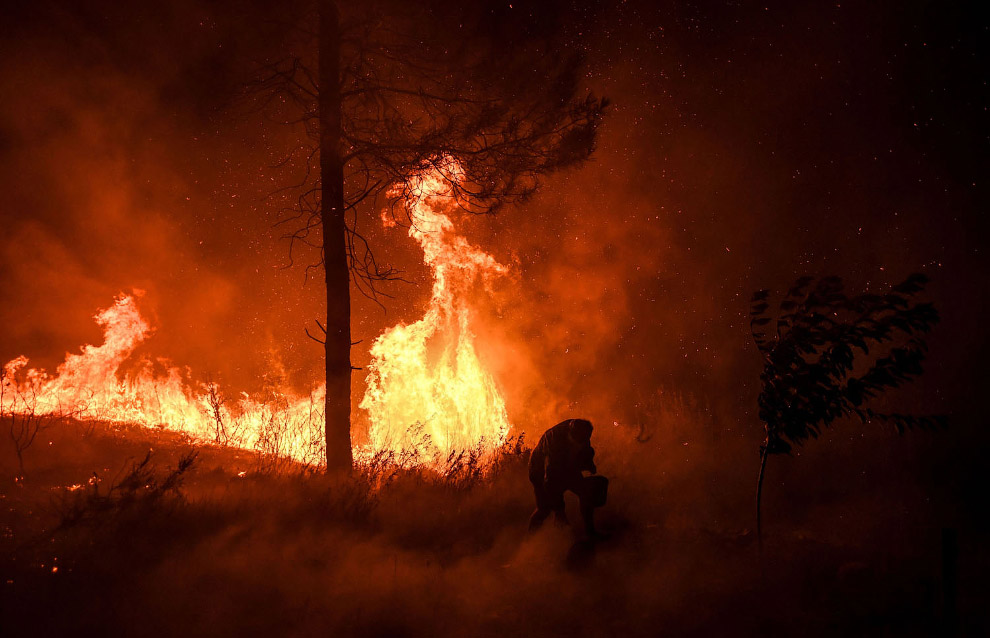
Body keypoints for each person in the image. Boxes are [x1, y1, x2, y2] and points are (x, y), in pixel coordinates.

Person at [528, 418, 609, 539]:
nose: (583, 442)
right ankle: (530, 540)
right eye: (579, 441)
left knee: (585, 492)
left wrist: (589, 464)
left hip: (566, 466)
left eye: (586, 439)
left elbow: (584, 451)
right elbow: (550, 480)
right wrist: (559, 511)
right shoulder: (555, 443)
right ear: (571, 436)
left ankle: (590, 533)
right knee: (544, 508)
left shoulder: (583, 432)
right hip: (539, 471)